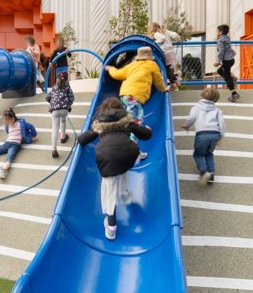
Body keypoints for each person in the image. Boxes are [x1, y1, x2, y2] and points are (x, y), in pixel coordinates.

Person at [77, 97, 153, 240]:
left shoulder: (100, 125)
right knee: (122, 168)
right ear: (120, 110)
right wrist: (148, 130)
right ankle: (125, 196)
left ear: (103, 111)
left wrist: (79, 139)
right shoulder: (126, 122)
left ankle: (111, 227)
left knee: (109, 188)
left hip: (107, 158)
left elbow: (83, 140)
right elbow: (146, 135)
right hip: (130, 155)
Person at [106, 46, 166, 160]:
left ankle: (123, 145)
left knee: (128, 121)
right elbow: (158, 81)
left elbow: (118, 74)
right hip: (134, 97)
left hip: (124, 96)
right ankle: (133, 150)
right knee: (136, 122)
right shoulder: (152, 65)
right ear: (150, 57)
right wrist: (164, 89)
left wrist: (110, 69)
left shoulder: (132, 65)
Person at [184, 86, 225, 184]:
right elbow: (222, 124)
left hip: (202, 134)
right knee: (209, 153)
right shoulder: (217, 110)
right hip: (214, 134)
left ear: (202, 95)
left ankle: (203, 171)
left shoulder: (196, 107)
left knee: (198, 154)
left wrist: (187, 125)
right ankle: (211, 174)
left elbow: (191, 118)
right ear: (215, 99)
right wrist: (221, 137)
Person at [46, 71, 74, 159]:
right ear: (66, 80)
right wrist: (68, 105)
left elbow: (47, 98)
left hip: (54, 110)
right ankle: (63, 136)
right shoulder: (67, 88)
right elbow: (72, 98)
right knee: (63, 120)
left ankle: (54, 149)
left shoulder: (53, 87)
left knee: (55, 128)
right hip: (64, 110)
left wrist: (52, 102)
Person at [150, 22, 182, 91]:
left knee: (164, 70)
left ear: (152, 29)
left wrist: (153, 43)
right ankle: (176, 82)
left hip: (165, 54)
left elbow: (162, 39)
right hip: (171, 53)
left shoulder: (156, 34)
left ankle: (173, 85)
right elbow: (175, 35)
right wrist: (179, 39)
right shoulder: (166, 31)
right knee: (168, 70)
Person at [213, 23, 241, 102]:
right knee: (220, 71)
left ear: (221, 32)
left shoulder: (220, 40)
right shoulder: (226, 38)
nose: (216, 33)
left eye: (217, 31)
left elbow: (222, 50)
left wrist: (218, 61)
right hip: (231, 59)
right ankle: (232, 77)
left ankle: (234, 94)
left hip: (227, 60)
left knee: (227, 77)